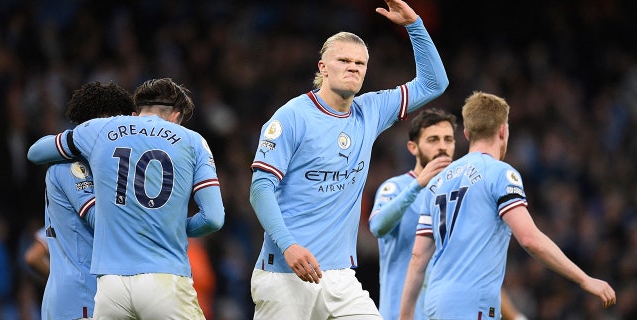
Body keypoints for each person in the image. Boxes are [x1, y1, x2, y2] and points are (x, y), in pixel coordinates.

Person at [248, 0, 449, 318]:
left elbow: (434, 83)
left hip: (340, 277)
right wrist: (289, 245)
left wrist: (414, 25)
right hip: (285, 272)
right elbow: (260, 188)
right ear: (323, 67)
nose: (353, 67)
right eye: (343, 60)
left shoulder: (370, 110)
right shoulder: (292, 117)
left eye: (360, 63)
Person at [399, 91, 616, 320]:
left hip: (435, 304)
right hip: (474, 303)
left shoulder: (436, 183)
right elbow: (530, 239)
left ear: (466, 133)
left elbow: (418, 259)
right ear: (503, 130)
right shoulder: (500, 173)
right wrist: (584, 279)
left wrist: (404, 318)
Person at [28, 78, 226, 319]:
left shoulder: (99, 137)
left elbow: (36, 151)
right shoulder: (192, 140)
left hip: (108, 286)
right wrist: (166, 224)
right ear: (176, 116)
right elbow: (214, 218)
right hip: (90, 294)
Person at [371, 108, 526, 320]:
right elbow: (377, 226)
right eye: (433, 140)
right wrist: (417, 186)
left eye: (448, 140)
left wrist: (515, 316)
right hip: (399, 314)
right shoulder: (396, 187)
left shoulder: (461, 194)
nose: (443, 147)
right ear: (413, 147)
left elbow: (473, 269)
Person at [30, 81, 135, 319]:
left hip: (85, 295)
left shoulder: (98, 166)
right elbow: (101, 221)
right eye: (120, 123)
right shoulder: (74, 167)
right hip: (82, 298)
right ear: (99, 123)